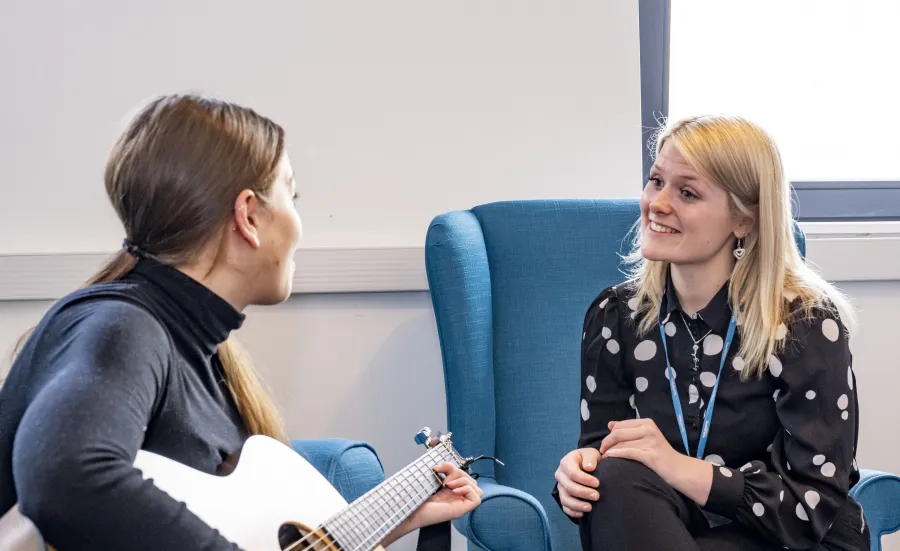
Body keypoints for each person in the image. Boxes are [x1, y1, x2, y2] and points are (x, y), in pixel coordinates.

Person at [0, 94, 481, 550]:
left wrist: (399, 517)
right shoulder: (123, 326)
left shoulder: (197, 353)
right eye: (293, 195)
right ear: (249, 215)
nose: (298, 222)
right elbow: (66, 478)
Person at [552, 115, 869, 550]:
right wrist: (578, 474)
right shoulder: (615, 317)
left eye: (687, 192)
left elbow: (807, 508)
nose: (657, 204)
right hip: (662, 527)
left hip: (788, 538)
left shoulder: (806, 324)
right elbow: (603, 450)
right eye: (655, 181)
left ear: (744, 220)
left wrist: (677, 466)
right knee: (615, 474)